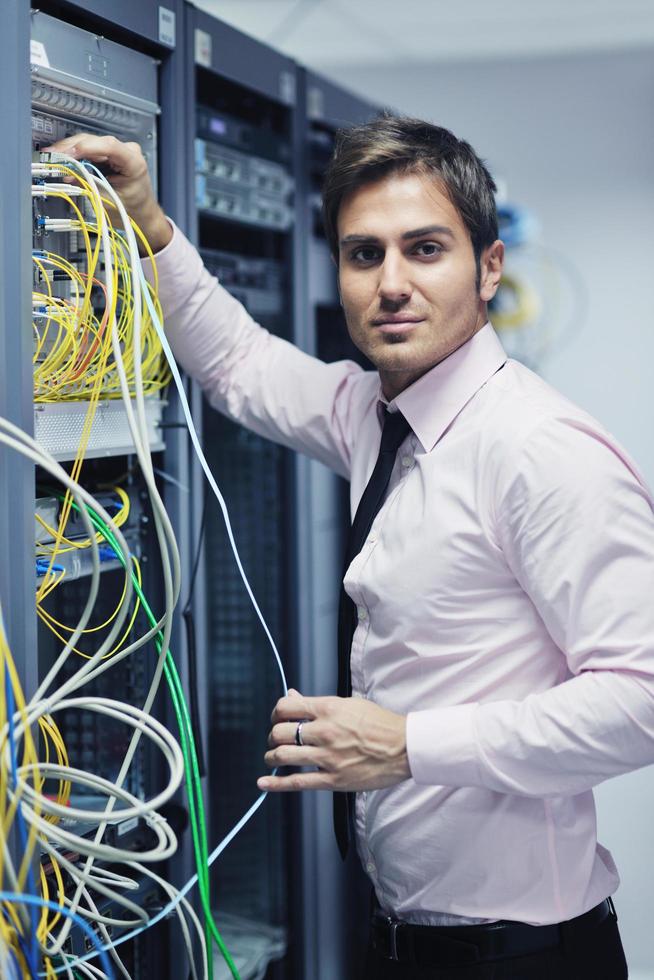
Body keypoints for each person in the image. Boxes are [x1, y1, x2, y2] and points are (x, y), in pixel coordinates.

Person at [46, 115, 654, 979]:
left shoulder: (539, 450)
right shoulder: (374, 415)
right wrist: (150, 226)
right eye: (364, 254)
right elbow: (238, 364)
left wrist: (407, 746)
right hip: (406, 941)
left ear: (488, 267)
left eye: (426, 249)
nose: (392, 283)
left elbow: (642, 697)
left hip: (523, 956)